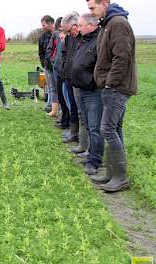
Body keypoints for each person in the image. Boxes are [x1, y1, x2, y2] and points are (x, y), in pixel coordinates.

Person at [87, 0, 137, 192]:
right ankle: (111, 172)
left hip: (117, 87)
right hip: (113, 86)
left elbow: (122, 57)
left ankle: (120, 177)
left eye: (93, 8)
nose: (90, 12)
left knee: (107, 129)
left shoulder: (117, 23)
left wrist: (110, 82)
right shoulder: (108, 24)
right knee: (114, 128)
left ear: (105, 3)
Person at [71, 13, 102, 176]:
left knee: (95, 127)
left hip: (93, 91)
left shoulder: (99, 41)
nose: (78, 28)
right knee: (89, 125)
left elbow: (101, 65)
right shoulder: (84, 40)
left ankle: (95, 162)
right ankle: (91, 155)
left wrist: (91, 81)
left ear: (91, 25)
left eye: (81, 25)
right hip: (81, 89)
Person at [61, 12, 82, 145]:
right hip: (68, 76)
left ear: (75, 25)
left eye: (68, 30)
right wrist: (64, 67)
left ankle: (81, 136)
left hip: (80, 78)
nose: (68, 34)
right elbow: (66, 54)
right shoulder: (69, 38)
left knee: (80, 109)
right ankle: (74, 133)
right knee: (72, 106)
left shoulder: (83, 37)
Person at [38, 15, 54, 113]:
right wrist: (44, 64)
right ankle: (49, 105)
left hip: (57, 67)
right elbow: (41, 52)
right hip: (47, 66)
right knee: (49, 87)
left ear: (49, 23)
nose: (42, 27)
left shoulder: (58, 34)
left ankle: (55, 107)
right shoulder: (42, 37)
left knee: (55, 88)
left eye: (43, 25)